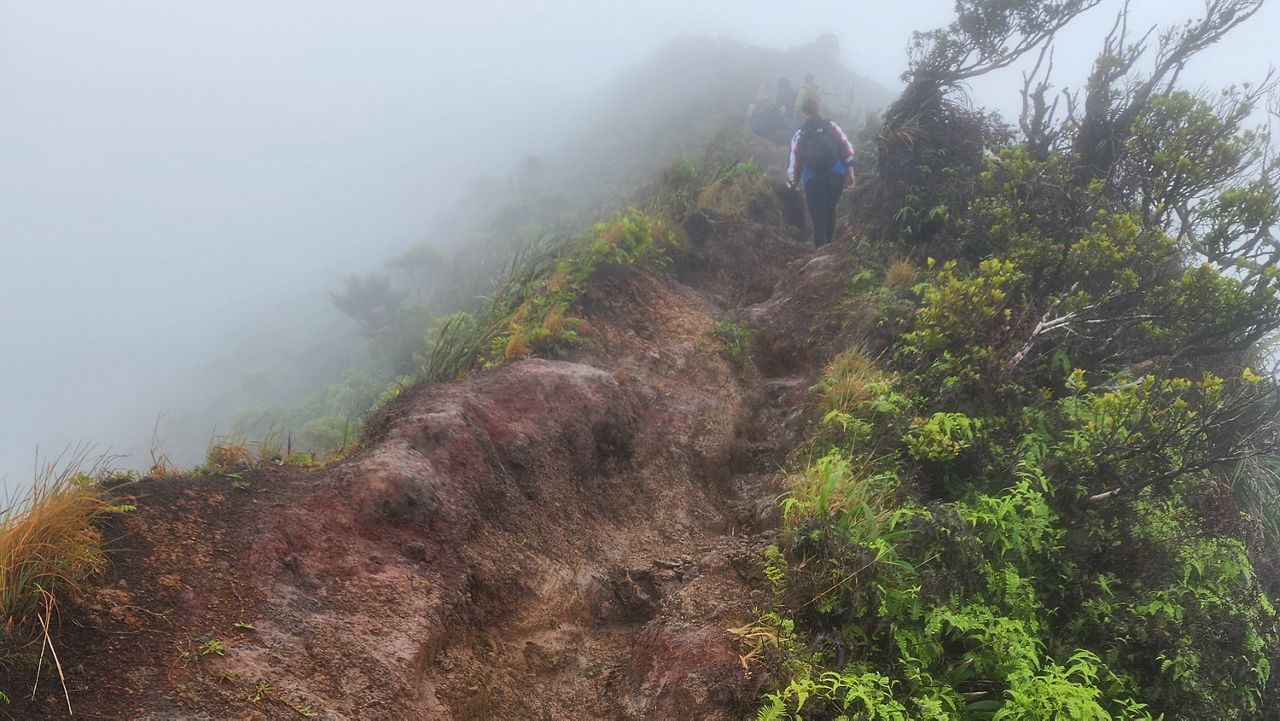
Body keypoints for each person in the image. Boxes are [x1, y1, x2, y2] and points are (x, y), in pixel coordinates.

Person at [787, 95, 856, 247]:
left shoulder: (800, 133)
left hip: (812, 177)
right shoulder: (831, 126)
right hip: (836, 173)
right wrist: (850, 171)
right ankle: (830, 245)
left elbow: (795, 160)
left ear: (803, 113)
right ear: (818, 109)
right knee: (830, 211)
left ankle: (819, 250)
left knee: (818, 218)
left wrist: (793, 182)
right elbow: (847, 147)